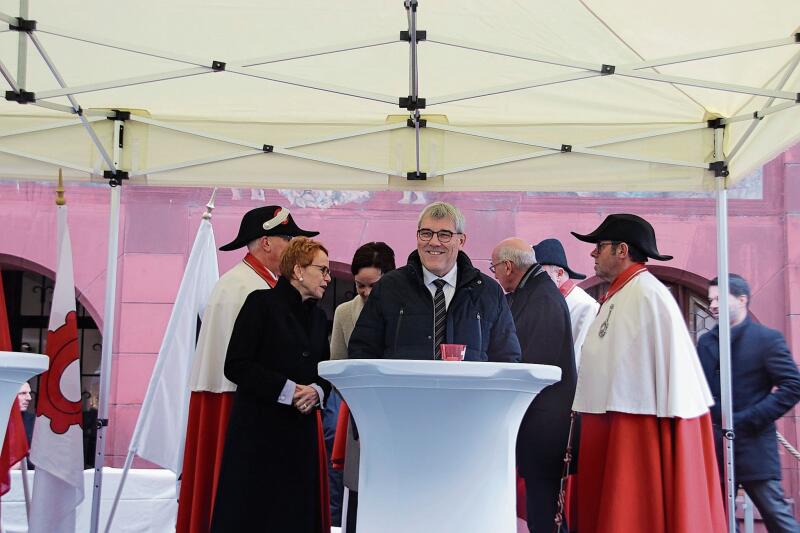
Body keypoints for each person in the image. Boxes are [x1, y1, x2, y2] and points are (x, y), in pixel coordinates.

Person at [571, 213, 726, 533]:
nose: (592, 253)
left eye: (599, 246)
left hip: (637, 423)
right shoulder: (622, 293)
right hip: (613, 418)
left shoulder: (646, 295)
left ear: (621, 250)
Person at [177, 205, 318, 533]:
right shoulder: (242, 288)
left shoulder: (260, 285)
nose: (295, 246)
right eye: (288, 238)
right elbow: (238, 365)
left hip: (265, 406)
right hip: (239, 405)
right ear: (266, 242)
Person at [211, 237, 333, 533]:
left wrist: (316, 391)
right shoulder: (260, 304)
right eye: (323, 270)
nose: (328, 278)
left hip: (299, 437)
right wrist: (288, 390)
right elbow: (236, 364)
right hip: (258, 436)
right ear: (298, 271)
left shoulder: (319, 318)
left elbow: (324, 371)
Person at [349, 201, 520, 362]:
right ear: (417, 237)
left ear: (461, 241)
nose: (434, 242)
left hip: (468, 394)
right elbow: (362, 351)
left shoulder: (488, 292)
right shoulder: (388, 287)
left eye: (444, 235)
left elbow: (508, 359)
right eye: (426, 233)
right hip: (402, 393)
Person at [697, 274, 800, 533]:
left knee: (779, 520)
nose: (713, 305)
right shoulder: (706, 341)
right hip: (714, 447)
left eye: (720, 299)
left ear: (742, 299)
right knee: (713, 521)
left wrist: (750, 418)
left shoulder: (767, 339)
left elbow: (793, 386)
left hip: (754, 446)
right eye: (711, 300)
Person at [491, 238, 576, 533]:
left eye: (494, 269)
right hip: (539, 419)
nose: (496, 275)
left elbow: (534, 362)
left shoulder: (542, 298)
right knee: (541, 507)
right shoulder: (533, 291)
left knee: (545, 509)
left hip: (545, 421)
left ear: (509, 266)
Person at [329, 242, 396, 532]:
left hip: (398, 417)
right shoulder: (345, 313)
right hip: (359, 414)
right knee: (358, 491)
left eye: (374, 286)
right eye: (360, 286)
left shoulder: (404, 310)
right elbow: (337, 365)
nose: (367, 293)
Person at [534, 238, 599, 368]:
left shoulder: (585, 305)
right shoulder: (547, 302)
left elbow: (578, 357)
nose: (535, 280)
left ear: (559, 274)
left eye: (540, 273)